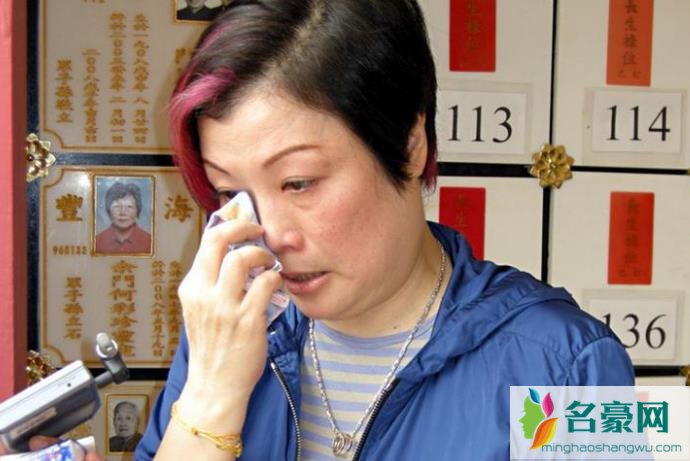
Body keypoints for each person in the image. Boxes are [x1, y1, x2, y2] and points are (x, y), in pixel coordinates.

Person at [136, 1, 635, 459]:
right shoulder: (230, 327)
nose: (271, 235)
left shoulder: (567, 366)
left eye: (299, 182)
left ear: (410, 146)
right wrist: (211, 395)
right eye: (230, 192)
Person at [94, 181, 152, 254]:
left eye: (129, 207)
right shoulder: (96, 242)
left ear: (137, 211)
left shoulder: (150, 243)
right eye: (117, 206)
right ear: (108, 211)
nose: (123, 213)